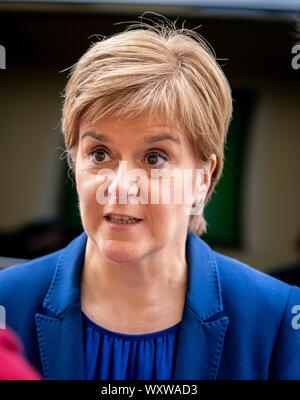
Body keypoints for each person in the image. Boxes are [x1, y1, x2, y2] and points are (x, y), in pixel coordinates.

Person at [0, 17, 299, 380]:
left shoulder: (280, 316)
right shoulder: (7, 303)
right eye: (99, 154)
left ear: (202, 179)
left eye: (154, 158)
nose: (121, 186)